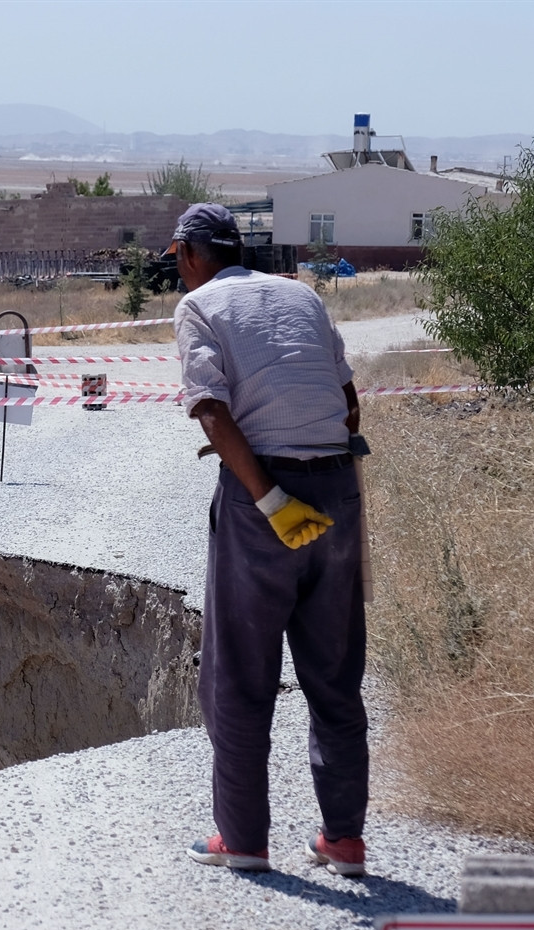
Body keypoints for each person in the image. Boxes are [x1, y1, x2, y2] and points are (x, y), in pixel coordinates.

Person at [169, 203, 370, 878]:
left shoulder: (198, 306)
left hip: (263, 500)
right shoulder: (302, 297)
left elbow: (210, 408)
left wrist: (271, 499)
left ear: (187, 253)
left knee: (240, 677)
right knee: (335, 676)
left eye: (176, 260)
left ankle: (243, 840)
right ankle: (344, 841)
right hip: (337, 490)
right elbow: (348, 403)